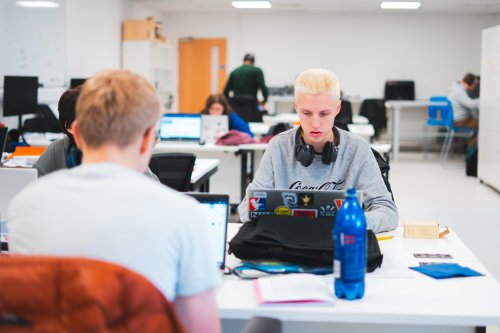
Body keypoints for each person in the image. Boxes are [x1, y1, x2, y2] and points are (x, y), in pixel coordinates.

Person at [7, 70, 222, 333]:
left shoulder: (25, 205)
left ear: (79, 133)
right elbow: (200, 328)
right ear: (146, 139)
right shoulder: (183, 214)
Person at [238, 68, 398, 233]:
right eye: (306, 113)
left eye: (324, 113)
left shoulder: (358, 149)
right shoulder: (278, 146)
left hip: (339, 244)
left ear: (337, 108)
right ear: (296, 107)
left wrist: (352, 221)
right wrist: (278, 221)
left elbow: (388, 212)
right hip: (289, 243)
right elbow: (246, 207)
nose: (315, 124)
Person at [33, 86, 159, 182]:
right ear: (71, 127)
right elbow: (31, 181)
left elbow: (154, 188)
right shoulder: (57, 149)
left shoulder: (117, 149)